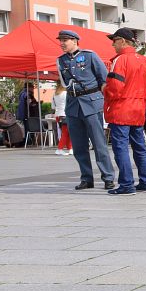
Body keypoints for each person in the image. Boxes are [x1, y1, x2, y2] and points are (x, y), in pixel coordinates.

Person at [56, 29, 115, 190]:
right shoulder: (61, 60)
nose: (62, 43)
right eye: (60, 40)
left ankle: (108, 177)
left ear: (75, 41)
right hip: (73, 105)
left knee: (99, 144)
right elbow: (64, 82)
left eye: (65, 40)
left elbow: (104, 79)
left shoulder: (89, 56)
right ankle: (86, 178)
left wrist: (105, 101)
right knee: (79, 146)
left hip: (91, 102)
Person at [103, 28, 146, 195]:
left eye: (115, 40)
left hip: (121, 108)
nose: (113, 44)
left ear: (123, 41)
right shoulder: (144, 61)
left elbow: (115, 87)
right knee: (140, 146)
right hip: (138, 109)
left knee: (121, 147)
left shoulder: (120, 60)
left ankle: (126, 184)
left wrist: (104, 89)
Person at [52, 83, 72, 156]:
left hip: (58, 115)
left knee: (66, 132)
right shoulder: (66, 93)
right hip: (65, 114)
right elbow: (70, 103)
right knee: (67, 133)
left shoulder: (54, 94)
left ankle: (70, 149)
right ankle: (59, 149)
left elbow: (53, 107)